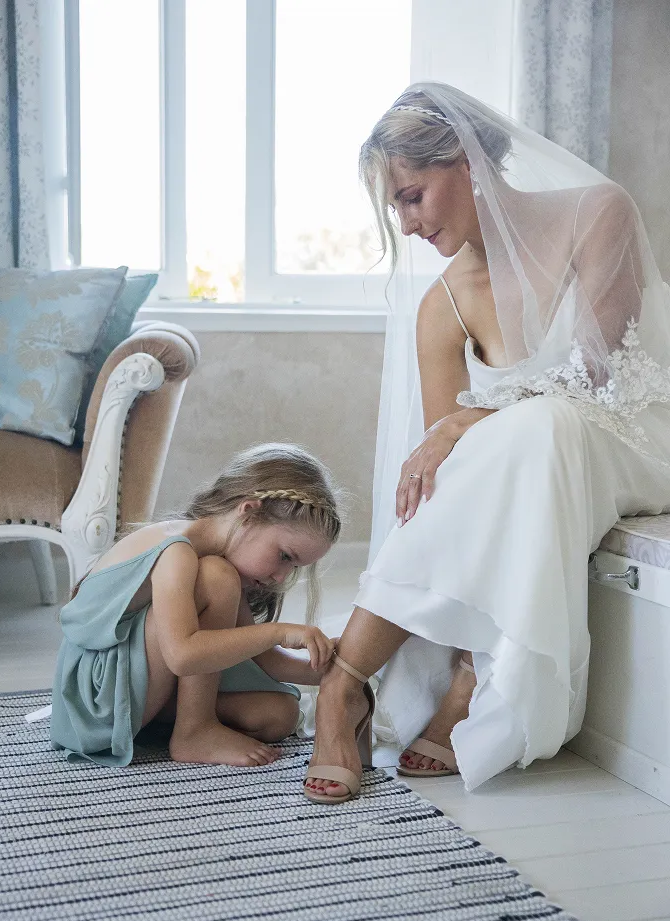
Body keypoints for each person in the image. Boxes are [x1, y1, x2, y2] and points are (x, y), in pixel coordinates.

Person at [303, 82, 670, 804]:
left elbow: (597, 377)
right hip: (543, 455)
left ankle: (423, 674)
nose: (406, 225)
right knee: (517, 441)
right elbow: (456, 478)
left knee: (545, 424)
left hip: (634, 435)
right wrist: (463, 430)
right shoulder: (441, 306)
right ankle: (356, 686)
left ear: (467, 161)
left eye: (412, 196)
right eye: (394, 208)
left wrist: (472, 418)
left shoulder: (598, 213)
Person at [50, 443, 340, 768]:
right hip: (94, 703)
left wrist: (335, 668)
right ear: (248, 512)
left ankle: (188, 724)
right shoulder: (179, 553)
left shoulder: (214, 559)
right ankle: (194, 731)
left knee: (278, 714)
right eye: (285, 556)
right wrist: (277, 631)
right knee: (219, 577)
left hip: (135, 685)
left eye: (294, 567)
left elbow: (264, 658)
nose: (281, 576)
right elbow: (184, 655)